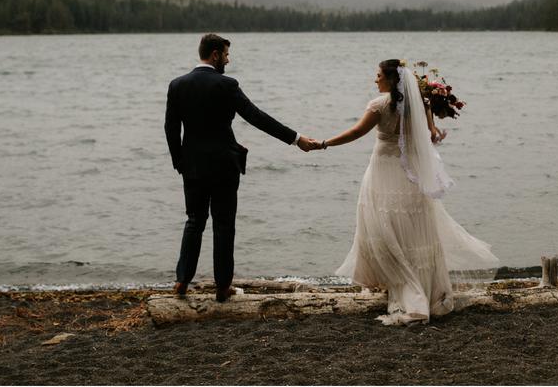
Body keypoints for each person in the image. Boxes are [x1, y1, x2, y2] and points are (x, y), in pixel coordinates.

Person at [318, 59, 499, 325]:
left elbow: (356, 132)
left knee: (383, 226)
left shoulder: (379, 105)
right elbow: (431, 135)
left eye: (378, 75)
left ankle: (403, 288)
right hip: (411, 175)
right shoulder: (420, 105)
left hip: (383, 171)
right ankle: (426, 291)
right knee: (413, 229)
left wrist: (324, 143)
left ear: (391, 80)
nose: (375, 79)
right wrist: (436, 132)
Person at [165, 34, 319, 302]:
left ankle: (181, 281)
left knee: (194, 222)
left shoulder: (177, 85)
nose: (228, 59)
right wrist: (296, 139)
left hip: (192, 167)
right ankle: (222, 288)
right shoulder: (227, 85)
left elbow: (170, 129)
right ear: (214, 55)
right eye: (225, 54)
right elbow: (256, 117)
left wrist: (180, 162)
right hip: (224, 165)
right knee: (224, 225)